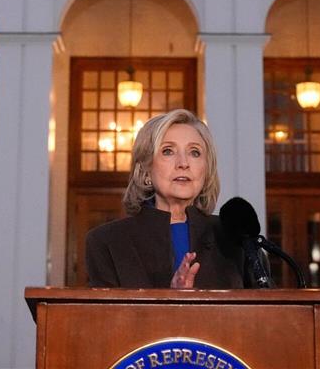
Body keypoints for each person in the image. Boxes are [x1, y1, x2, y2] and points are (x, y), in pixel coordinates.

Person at [85, 108, 249, 289]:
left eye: (194, 152)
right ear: (146, 169)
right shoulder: (107, 241)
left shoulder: (236, 237)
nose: (183, 163)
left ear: (206, 169)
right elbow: (106, 316)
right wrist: (171, 299)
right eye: (168, 151)